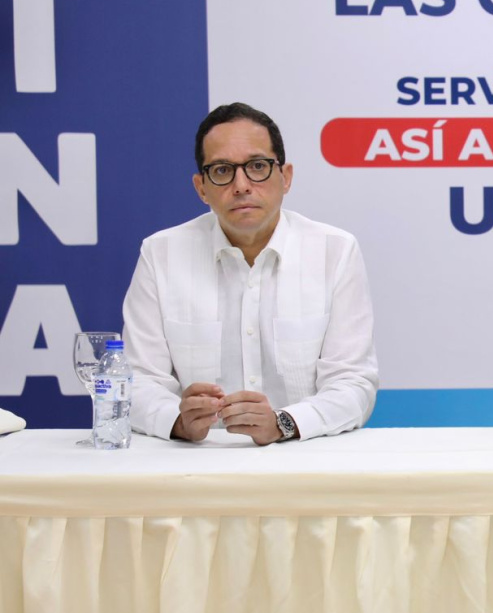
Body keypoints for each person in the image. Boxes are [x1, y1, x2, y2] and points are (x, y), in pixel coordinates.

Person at [123, 102, 379, 444]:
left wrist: (283, 423)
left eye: (257, 166)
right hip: (197, 461)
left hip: (305, 459)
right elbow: (136, 382)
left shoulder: (335, 251)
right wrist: (178, 422)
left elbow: (354, 384)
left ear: (285, 177)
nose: (242, 185)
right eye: (222, 170)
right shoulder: (161, 254)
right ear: (201, 188)